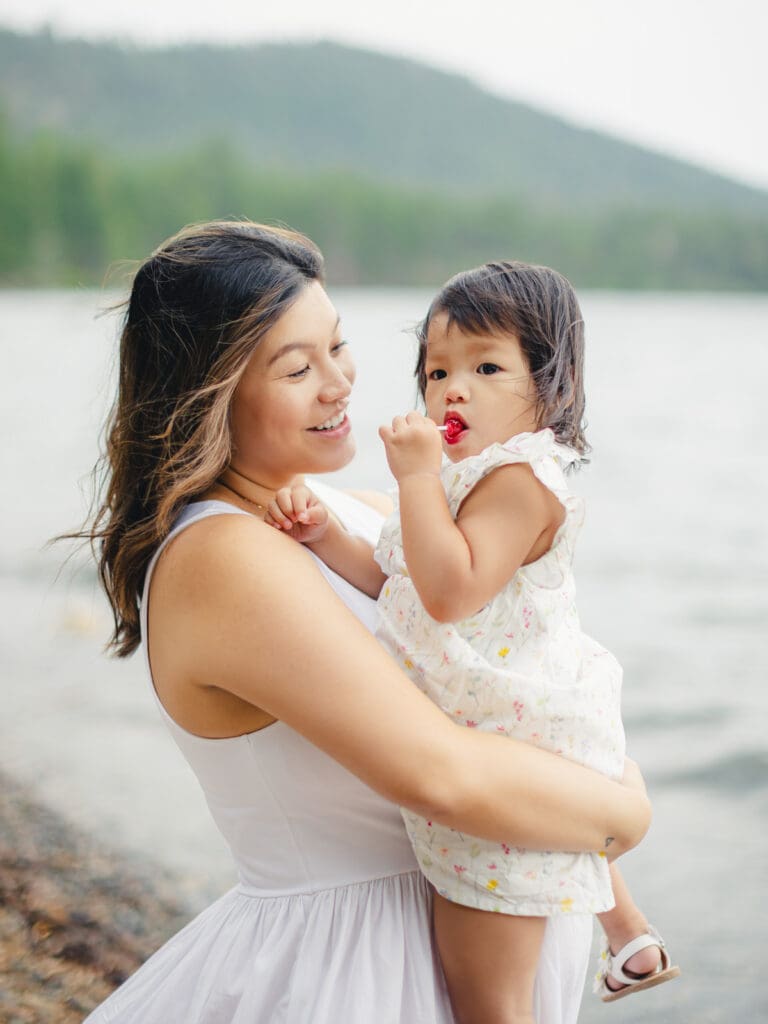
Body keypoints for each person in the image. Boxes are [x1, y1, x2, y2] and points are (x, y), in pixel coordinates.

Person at [79, 222, 651, 1024]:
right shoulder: (222, 557)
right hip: (355, 974)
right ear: (210, 391)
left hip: (469, 920)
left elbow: (517, 657)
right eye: (296, 367)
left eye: (339, 347)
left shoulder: (359, 510)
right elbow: (439, 774)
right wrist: (620, 813)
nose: (340, 384)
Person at [266, 260, 679, 1023]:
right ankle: (628, 932)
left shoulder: (521, 480)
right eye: (436, 370)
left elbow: (451, 593)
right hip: (509, 723)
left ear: (550, 385)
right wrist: (326, 538)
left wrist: (417, 479)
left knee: (486, 996)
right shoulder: (467, 476)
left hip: (507, 727)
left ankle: (626, 929)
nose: (453, 388)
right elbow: (408, 586)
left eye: (487, 367)